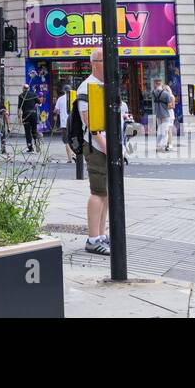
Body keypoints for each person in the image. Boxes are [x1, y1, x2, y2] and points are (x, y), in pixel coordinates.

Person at [76, 48, 110, 255]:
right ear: (95, 63)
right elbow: (91, 123)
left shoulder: (102, 85)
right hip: (97, 147)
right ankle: (92, 238)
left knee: (105, 193)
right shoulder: (87, 87)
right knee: (98, 192)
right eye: (105, 59)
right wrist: (106, 146)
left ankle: (101, 234)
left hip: (106, 145)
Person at [152, 78, 175, 152]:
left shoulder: (153, 92)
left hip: (158, 115)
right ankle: (163, 146)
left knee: (159, 131)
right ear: (161, 84)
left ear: (155, 84)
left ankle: (158, 146)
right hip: (165, 115)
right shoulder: (166, 94)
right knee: (165, 132)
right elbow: (169, 106)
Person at [19, 86, 40, 153]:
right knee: (34, 130)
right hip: (33, 114)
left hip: (26, 115)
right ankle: (36, 140)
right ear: (28, 89)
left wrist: (19, 117)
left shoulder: (21, 95)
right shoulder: (33, 94)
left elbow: (19, 107)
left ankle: (30, 147)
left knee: (27, 132)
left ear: (23, 89)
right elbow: (39, 102)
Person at [54, 89, 72, 162]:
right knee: (74, 139)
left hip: (64, 123)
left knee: (66, 141)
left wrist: (58, 112)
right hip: (73, 123)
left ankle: (70, 158)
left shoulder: (60, 99)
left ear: (64, 91)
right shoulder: (74, 97)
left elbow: (56, 110)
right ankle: (75, 155)